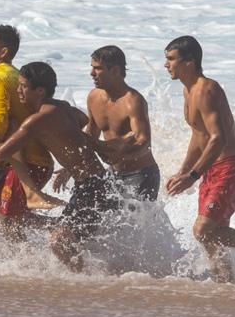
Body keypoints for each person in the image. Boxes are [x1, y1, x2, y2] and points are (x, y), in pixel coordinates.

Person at [163, 35, 235, 281]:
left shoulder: (207, 90)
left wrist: (193, 176)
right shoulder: (188, 91)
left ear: (189, 62)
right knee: (211, 236)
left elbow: (217, 138)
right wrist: (183, 170)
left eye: (171, 59)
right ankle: (225, 282)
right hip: (212, 169)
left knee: (202, 230)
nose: (166, 64)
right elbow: (198, 135)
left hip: (229, 167)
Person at [0, 62, 118, 272]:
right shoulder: (62, 107)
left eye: (23, 86)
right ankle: (83, 269)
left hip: (92, 188)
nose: (18, 90)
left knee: (58, 241)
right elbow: (83, 120)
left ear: (40, 91)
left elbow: (1, 154)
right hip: (95, 184)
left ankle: (84, 280)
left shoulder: (37, 120)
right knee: (29, 223)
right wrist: (68, 155)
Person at [0, 26, 59, 235]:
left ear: (3, 52)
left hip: (28, 163)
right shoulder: (16, 74)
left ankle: (67, 229)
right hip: (33, 161)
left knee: (8, 222)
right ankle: (62, 227)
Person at [54, 45, 159, 201]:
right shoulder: (94, 97)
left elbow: (144, 142)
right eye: (92, 67)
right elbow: (90, 137)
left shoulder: (133, 101)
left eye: (98, 68)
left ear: (115, 70)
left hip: (141, 174)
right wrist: (71, 167)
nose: (91, 73)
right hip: (113, 173)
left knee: (133, 218)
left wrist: (120, 156)